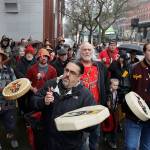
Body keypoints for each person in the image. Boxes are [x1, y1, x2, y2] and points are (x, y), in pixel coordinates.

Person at [31, 60, 97, 150]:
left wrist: (80, 122)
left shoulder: (85, 95)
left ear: (80, 77)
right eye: (66, 70)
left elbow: (92, 124)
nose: (67, 74)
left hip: (70, 144)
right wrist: (44, 101)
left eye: (73, 73)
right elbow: (33, 101)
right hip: (47, 141)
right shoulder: (51, 84)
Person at [77, 42, 109, 150]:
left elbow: (105, 83)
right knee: (82, 140)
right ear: (80, 51)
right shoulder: (75, 66)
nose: (87, 52)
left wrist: (107, 99)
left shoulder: (100, 66)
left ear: (93, 52)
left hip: (96, 107)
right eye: (84, 49)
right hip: (79, 109)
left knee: (95, 137)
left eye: (89, 50)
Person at [123, 43, 150, 150]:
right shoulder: (132, 67)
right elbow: (124, 87)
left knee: (146, 147)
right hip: (133, 116)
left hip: (149, 119)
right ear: (144, 52)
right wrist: (127, 103)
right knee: (130, 146)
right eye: (149, 50)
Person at [0, 49, 19, 149]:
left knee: (11, 125)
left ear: (2, 57)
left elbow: (15, 84)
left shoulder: (9, 70)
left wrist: (9, 88)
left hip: (9, 103)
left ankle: (12, 138)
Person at [102, 79, 119, 149]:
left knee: (114, 126)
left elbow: (116, 101)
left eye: (117, 85)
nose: (116, 87)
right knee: (109, 126)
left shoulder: (116, 92)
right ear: (110, 85)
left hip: (114, 111)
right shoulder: (108, 92)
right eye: (114, 85)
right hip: (109, 112)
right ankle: (108, 139)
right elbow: (108, 102)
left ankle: (112, 141)